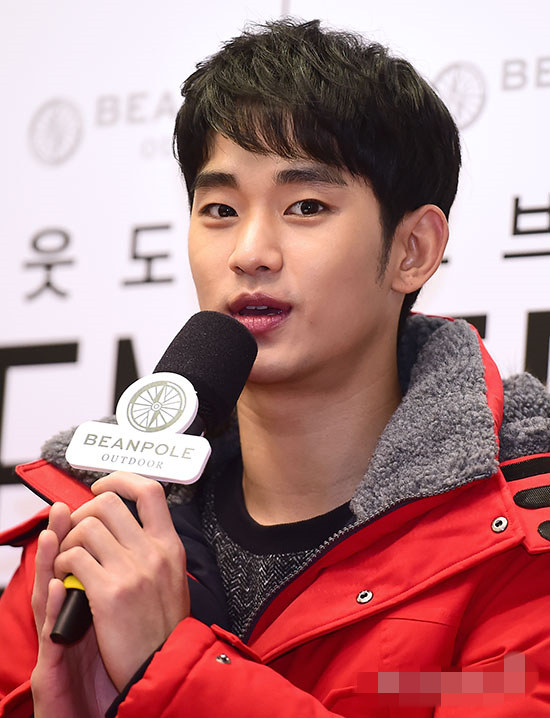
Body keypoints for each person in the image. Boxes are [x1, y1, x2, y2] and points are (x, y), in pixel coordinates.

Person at [1, 17, 550, 717]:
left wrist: (171, 669)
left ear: (412, 249)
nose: (250, 253)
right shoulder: (94, 524)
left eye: (306, 207)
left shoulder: (518, 544)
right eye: (220, 209)